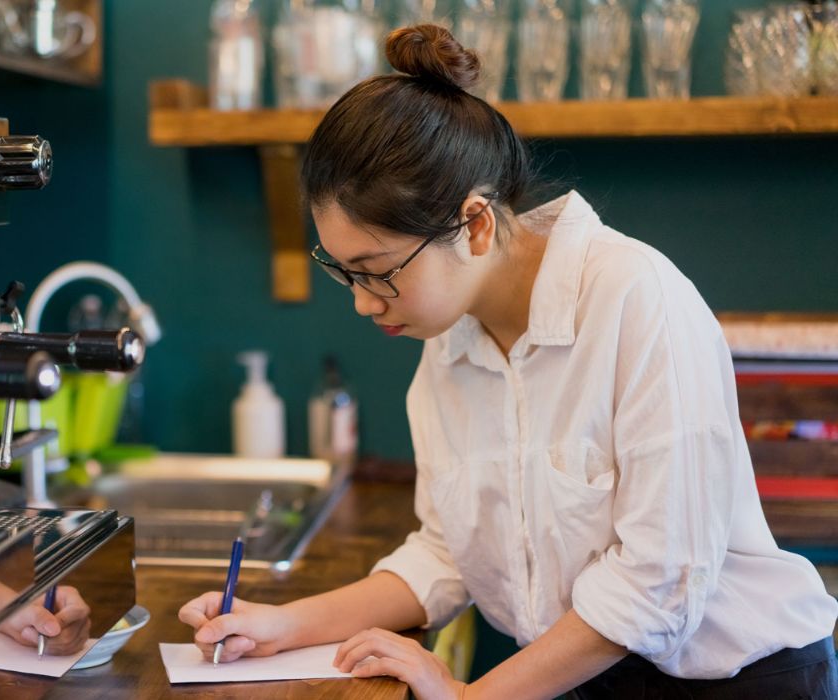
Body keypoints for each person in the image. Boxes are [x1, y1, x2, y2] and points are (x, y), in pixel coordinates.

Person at [179, 24, 838, 700]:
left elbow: (659, 584)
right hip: (584, 677)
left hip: (742, 680)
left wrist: (469, 697)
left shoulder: (637, 300)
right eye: (342, 273)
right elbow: (446, 554)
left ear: (476, 224)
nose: (361, 303)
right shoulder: (449, 346)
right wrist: (282, 626)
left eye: (376, 271)